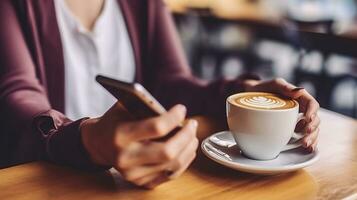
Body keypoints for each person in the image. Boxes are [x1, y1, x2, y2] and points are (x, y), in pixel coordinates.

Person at [0, 0, 320, 188]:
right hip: (52, 184)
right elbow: (16, 95)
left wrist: (241, 93)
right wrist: (87, 138)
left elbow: (172, 82)